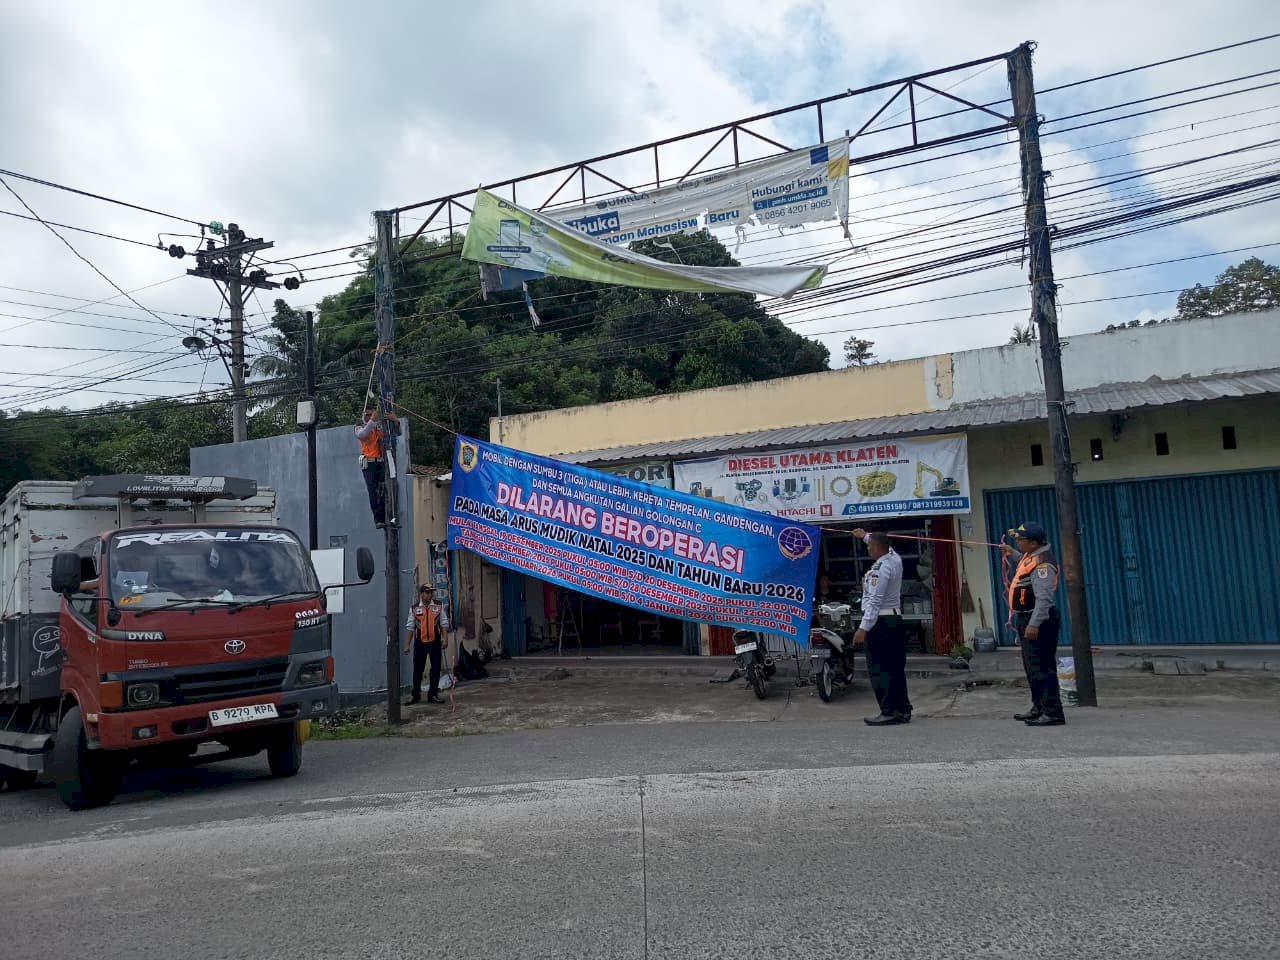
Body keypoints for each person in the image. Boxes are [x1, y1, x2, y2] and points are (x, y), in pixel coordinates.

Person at [1001, 521, 1066, 727]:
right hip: (1026, 618)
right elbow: (1024, 563)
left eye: (1020, 540)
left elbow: (1044, 599)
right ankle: (1038, 707)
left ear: (1033, 542)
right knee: (1031, 667)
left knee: (1042, 667)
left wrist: (1034, 624)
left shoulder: (1043, 564)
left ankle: (1052, 712)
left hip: (1038, 620)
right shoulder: (1032, 556)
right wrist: (1012, 552)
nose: (1018, 542)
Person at [851, 528, 911, 726]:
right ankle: (902, 709)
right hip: (894, 621)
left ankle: (889, 711)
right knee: (895, 668)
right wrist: (864, 536)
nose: (868, 549)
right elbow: (886, 545)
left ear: (877, 548)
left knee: (880, 669)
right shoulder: (895, 560)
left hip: (880, 624)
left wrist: (863, 628)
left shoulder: (881, 569)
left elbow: (875, 601)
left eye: (869, 546)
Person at [404, 585, 450, 705]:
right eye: (427, 592)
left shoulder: (438, 606)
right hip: (420, 643)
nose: (430, 595)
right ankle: (415, 695)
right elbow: (410, 627)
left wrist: (445, 639)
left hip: (435, 642)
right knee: (418, 670)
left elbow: (444, 623)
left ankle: (433, 695)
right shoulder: (414, 608)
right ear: (421, 594)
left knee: (435, 669)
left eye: (431, 592)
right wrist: (407, 645)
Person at [356, 409, 399, 529]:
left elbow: (396, 434)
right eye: (368, 414)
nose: (370, 417)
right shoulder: (360, 426)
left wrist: (395, 421)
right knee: (373, 491)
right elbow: (362, 434)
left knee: (384, 489)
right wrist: (373, 420)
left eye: (372, 414)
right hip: (369, 464)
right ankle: (378, 518)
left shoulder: (380, 426)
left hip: (381, 462)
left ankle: (389, 515)